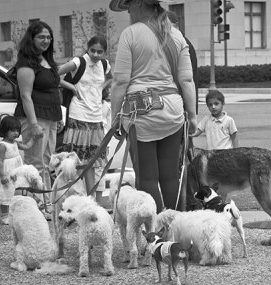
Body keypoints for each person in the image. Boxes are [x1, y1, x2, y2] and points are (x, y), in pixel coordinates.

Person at [109, 0, 197, 213]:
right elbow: (186, 80)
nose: (128, 10)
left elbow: (120, 81)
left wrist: (115, 117)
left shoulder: (130, 34)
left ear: (138, 3)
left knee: (147, 177)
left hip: (141, 111)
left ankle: (156, 232)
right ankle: (176, 227)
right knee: (170, 176)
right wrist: (192, 116)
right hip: (173, 110)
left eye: (128, 4)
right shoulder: (176, 35)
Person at [58, 36, 112, 197]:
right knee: (75, 161)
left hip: (96, 116)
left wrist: (100, 89)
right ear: (87, 49)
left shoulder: (104, 64)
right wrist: (72, 88)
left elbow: (110, 78)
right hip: (78, 113)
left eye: (100, 51)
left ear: (104, 52)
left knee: (92, 162)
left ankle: (90, 198)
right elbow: (54, 75)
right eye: (92, 50)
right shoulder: (78, 62)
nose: (95, 54)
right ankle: (72, 198)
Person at [13, 21, 62, 192]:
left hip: (51, 118)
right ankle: (34, 205)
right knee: (35, 164)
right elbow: (25, 95)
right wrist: (33, 125)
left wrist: (58, 117)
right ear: (31, 39)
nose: (46, 40)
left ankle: (45, 204)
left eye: (49, 37)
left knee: (46, 164)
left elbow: (53, 88)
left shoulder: (47, 60)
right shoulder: (27, 62)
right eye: (41, 37)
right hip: (35, 118)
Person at [0, 116, 36, 224]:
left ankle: (13, 213)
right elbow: (0, 161)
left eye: (17, 130)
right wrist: (2, 176)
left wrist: (33, 138)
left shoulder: (15, 143)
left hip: (16, 173)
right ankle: (4, 215)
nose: (16, 133)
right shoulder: (2, 145)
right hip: (6, 172)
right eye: (12, 130)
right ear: (4, 130)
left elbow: (27, 147)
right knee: (5, 192)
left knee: (14, 192)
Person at [166, 10, 199, 114]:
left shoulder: (182, 44)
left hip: (181, 105)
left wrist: (191, 113)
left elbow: (187, 80)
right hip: (180, 103)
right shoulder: (183, 42)